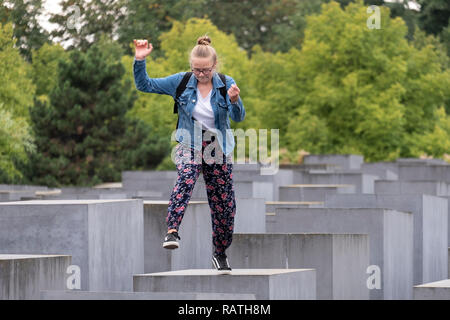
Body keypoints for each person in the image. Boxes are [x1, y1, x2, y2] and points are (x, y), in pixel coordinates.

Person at [133, 35, 245, 274]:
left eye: (205, 70)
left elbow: (238, 118)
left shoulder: (226, 83)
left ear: (214, 66)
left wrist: (235, 101)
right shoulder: (181, 82)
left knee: (224, 205)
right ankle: (172, 231)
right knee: (185, 178)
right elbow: (145, 85)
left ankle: (220, 253)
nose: (200, 74)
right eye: (196, 70)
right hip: (190, 141)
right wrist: (140, 59)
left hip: (218, 146)